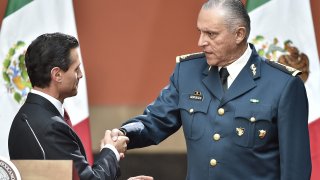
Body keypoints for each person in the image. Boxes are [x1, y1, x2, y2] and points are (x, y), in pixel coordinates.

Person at [111, 0, 312, 179]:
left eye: (211, 34)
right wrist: (123, 133)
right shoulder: (188, 72)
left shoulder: (283, 85)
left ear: (239, 34)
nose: (201, 42)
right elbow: (156, 121)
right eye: (200, 31)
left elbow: (296, 170)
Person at [8, 32, 130, 179]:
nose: (80, 75)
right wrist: (111, 151)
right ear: (57, 74)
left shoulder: (35, 115)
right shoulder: (49, 126)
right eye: (76, 69)